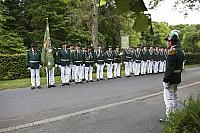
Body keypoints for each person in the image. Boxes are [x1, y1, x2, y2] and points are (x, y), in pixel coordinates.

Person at [160, 30, 185, 122]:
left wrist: (166, 79)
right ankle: (175, 115)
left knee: (168, 98)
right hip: (177, 78)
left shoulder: (172, 51)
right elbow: (181, 67)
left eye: (167, 41)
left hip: (171, 79)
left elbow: (169, 68)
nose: (167, 43)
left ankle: (170, 118)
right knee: (174, 96)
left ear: (170, 41)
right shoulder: (180, 51)